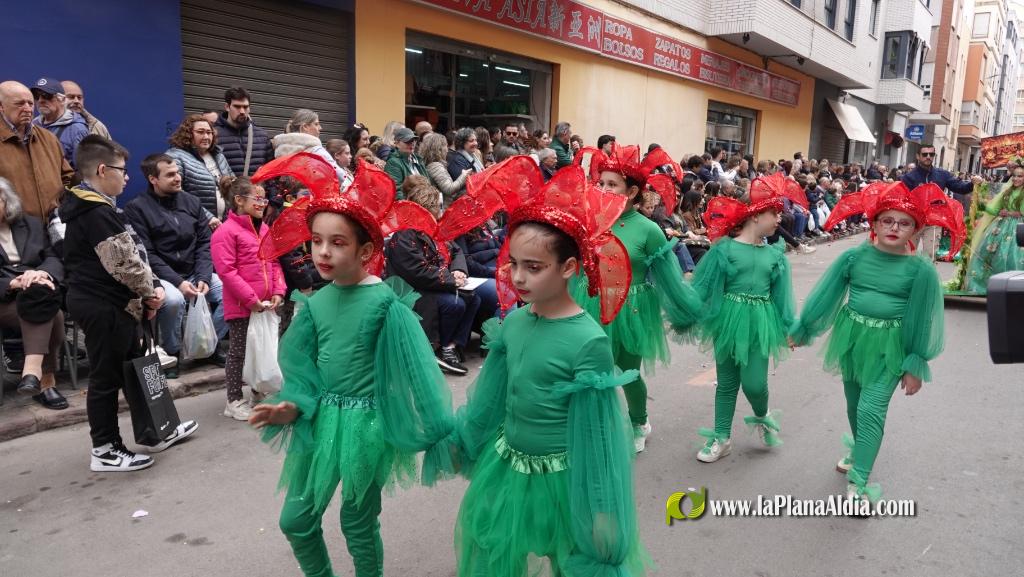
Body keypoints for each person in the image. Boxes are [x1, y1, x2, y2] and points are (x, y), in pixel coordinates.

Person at [435, 157, 648, 576]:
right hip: (508, 467)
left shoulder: (587, 340)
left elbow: (599, 437)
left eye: (534, 267)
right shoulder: (513, 323)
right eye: (513, 264)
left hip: (563, 479)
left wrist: (603, 509)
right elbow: (492, 399)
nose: (519, 277)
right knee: (494, 551)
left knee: (568, 560)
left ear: (569, 267)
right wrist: (465, 442)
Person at [247, 152, 455, 577]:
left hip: (368, 426)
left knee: (356, 521)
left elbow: (417, 371)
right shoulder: (316, 302)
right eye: (316, 240)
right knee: (296, 520)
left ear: (365, 250)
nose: (322, 252)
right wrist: (291, 405)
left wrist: (438, 432)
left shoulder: (384, 303)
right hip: (321, 420)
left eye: (337, 242)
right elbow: (303, 367)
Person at [790, 181, 962, 506]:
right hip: (852, 338)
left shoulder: (921, 271)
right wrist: (803, 329)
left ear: (915, 229)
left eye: (904, 223)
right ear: (875, 223)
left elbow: (923, 320)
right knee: (854, 405)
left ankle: (859, 481)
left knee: (871, 409)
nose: (895, 228)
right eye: (888, 220)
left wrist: (914, 363)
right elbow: (826, 297)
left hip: (891, 346)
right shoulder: (853, 258)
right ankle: (859, 449)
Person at [62, 136, 198, 472]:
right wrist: (150, 293)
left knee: (136, 369)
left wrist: (146, 290)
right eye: (122, 170)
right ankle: (105, 449)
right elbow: (124, 263)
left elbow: (133, 256)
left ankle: (159, 429)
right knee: (106, 378)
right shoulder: (94, 211)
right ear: (102, 169)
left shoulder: (97, 206)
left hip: (116, 303)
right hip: (102, 304)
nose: (126, 177)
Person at [571, 144, 702, 452]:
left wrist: (684, 309)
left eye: (611, 184)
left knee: (628, 372)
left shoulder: (648, 230)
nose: (602, 188)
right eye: (600, 182)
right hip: (592, 301)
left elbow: (669, 276)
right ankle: (596, 423)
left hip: (632, 308)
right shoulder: (591, 220)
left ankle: (638, 421)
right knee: (590, 370)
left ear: (631, 192)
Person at [688, 172, 803, 463]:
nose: (780, 220)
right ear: (754, 215)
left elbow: (781, 298)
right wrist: (687, 310)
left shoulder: (775, 255)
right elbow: (703, 288)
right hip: (727, 320)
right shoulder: (724, 249)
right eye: (774, 213)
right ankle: (722, 437)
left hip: (760, 323)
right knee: (727, 382)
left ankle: (762, 415)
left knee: (755, 384)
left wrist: (788, 328)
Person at [124, 154, 228, 374]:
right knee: (172, 301)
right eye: (170, 175)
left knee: (232, 294)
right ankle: (172, 353)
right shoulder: (137, 208)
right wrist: (179, 282)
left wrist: (202, 277)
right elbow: (147, 254)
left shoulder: (192, 202)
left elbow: (204, 243)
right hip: (162, 276)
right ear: (153, 179)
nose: (177, 178)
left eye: (178, 173)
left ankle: (207, 346)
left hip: (195, 272)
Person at [385, 176, 479, 375]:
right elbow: (417, 272)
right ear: (427, 209)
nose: (442, 210)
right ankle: (438, 347)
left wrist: (459, 271)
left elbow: (455, 252)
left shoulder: (432, 229)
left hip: (433, 283)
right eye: (438, 206)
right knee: (456, 303)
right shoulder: (404, 235)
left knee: (474, 298)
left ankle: (451, 346)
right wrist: (452, 280)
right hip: (415, 290)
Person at [211, 176, 286, 420]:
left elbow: (274, 263)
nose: (263, 202)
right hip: (243, 305)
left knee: (263, 349)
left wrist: (277, 291)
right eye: (258, 198)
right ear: (239, 200)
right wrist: (251, 299)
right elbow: (227, 271)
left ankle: (258, 391)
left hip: (265, 305)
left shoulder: (264, 229)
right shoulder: (226, 232)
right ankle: (233, 400)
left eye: (264, 198)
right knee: (239, 352)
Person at [0, 177, 67, 409]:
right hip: (5, 299)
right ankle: (44, 381)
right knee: (52, 314)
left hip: (38, 290)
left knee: (43, 302)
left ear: (6, 202)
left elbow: (53, 256)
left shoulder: (30, 223)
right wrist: (13, 283)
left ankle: (33, 375)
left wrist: (42, 274)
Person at [0, 80, 74, 221]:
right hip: (12, 232)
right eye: (19, 104)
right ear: (1, 106)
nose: (28, 109)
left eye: (30, 103)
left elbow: (67, 178)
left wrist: (62, 210)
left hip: (54, 229)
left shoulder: (48, 138)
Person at [956, 165, 1024, 294]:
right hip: (1000, 227)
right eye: (1014, 175)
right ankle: (988, 286)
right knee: (988, 255)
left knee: (1013, 257)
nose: (1016, 179)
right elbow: (994, 209)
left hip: (1018, 229)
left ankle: (1014, 289)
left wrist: (1009, 213)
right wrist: (979, 201)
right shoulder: (1007, 191)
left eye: (1020, 176)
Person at [165, 114, 234, 222]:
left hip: (224, 223)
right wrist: (208, 217)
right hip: (196, 224)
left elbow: (233, 184)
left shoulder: (218, 155)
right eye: (200, 132)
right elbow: (176, 193)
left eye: (209, 132)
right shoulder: (176, 157)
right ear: (188, 134)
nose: (206, 137)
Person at [272, 109, 347, 185]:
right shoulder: (316, 151)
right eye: (316, 124)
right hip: (313, 195)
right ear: (305, 127)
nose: (320, 128)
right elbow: (341, 177)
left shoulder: (279, 151)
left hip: (288, 196)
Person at [30, 77, 89, 170]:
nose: (40, 100)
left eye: (46, 96)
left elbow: (83, 171)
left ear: (62, 99)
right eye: (37, 96)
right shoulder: (33, 125)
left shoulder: (77, 129)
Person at [214, 86, 274, 177]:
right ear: (227, 107)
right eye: (237, 106)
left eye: (245, 107)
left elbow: (271, 173)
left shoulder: (262, 136)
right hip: (226, 190)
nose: (242, 111)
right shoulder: (213, 135)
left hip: (256, 190)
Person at [422, 132, 469, 205]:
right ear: (439, 149)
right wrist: (464, 175)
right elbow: (449, 189)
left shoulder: (431, 164)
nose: (447, 149)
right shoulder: (435, 166)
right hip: (442, 207)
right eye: (446, 146)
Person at [383, 127, 426, 194]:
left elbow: (429, 183)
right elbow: (396, 191)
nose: (412, 143)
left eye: (414, 140)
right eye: (408, 141)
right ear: (397, 143)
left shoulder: (418, 159)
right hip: (409, 202)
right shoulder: (393, 162)